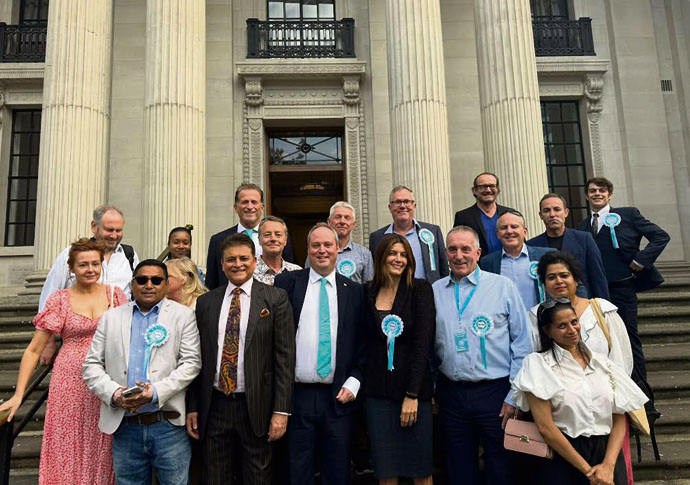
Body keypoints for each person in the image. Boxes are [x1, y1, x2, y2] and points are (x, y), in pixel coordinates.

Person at [0, 238, 128, 485]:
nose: (90, 269)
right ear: (71, 268)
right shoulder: (59, 299)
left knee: (103, 441)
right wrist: (18, 394)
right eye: (83, 265)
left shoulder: (115, 295)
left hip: (106, 377)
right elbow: (34, 350)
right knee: (67, 441)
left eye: (95, 264)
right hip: (69, 379)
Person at [185, 233, 295, 484]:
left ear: (255, 261)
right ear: (222, 264)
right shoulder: (206, 302)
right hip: (215, 406)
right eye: (231, 259)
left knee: (258, 477)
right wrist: (193, 406)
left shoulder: (275, 298)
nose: (238, 264)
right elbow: (198, 358)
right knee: (215, 477)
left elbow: (285, 358)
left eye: (244, 258)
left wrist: (281, 411)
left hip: (257, 407)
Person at [83, 259, 201, 484]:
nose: (149, 285)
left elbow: (191, 363)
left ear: (166, 284)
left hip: (167, 424)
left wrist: (155, 392)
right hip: (126, 426)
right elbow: (91, 365)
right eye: (142, 280)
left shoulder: (183, 316)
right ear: (132, 283)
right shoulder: (111, 317)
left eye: (156, 280)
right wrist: (115, 394)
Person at [433, 226, 532, 485]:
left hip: (496, 394)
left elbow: (522, 344)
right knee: (458, 467)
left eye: (466, 249)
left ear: (478, 253)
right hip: (451, 395)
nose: (459, 255)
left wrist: (514, 395)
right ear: (445, 253)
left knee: (501, 466)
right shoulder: (435, 291)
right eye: (453, 249)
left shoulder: (503, 287)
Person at [512, 299, 648, 484]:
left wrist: (608, 466)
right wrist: (589, 472)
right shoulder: (538, 365)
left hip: (607, 456)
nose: (571, 329)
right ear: (548, 331)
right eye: (562, 326)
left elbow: (618, 418)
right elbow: (545, 428)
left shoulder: (602, 363)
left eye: (574, 322)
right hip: (563, 457)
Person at [274, 223, 366, 485]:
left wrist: (355, 381)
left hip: (338, 396)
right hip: (297, 396)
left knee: (337, 470)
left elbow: (362, 343)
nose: (322, 250)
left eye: (328, 245)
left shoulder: (355, 291)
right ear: (307, 249)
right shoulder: (287, 283)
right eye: (316, 245)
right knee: (298, 469)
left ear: (337, 248)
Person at [577, 176, 670, 380]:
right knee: (600, 341)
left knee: (628, 338)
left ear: (609, 195)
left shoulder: (628, 215)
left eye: (602, 190)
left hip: (622, 289)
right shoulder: (582, 227)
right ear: (587, 196)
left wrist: (641, 260)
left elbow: (661, 236)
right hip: (595, 294)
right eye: (593, 191)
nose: (597, 194)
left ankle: (641, 393)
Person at [363, 233, 435, 483]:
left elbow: (422, 345)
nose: (398, 259)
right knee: (386, 471)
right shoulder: (368, 291)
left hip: (413, 395)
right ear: (381, 257)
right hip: (378, 396)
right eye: (392, 253)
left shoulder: (420, 290)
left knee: (420, 471)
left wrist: (412, 395)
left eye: (404, 255)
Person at [532, 251, 633, 374]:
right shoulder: (536, 316)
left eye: (564, 275)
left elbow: (622, 358)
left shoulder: (602, 310)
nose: (559, 281)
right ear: (544, 284)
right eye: (551, 277)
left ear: (576, 280)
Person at [40, 205, 138, 311]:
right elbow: (49, 297)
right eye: (109, 230)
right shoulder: (71, 254)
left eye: (118, 230)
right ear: (94, 226)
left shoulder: (130, 256)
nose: (114, 236)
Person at [205, 184, 296, 290]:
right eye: (245, 202)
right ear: (236, 207)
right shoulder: (218, 240)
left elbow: (288, 271)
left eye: (254, 202)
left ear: (262, 207)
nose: (249, 207)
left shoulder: (278, 240)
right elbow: (211, 283)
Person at [528, 194, 609, 300]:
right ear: (540, 215)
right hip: (548, 305)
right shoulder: (532, 245)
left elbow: (598, 277)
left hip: (582, 303)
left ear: (566, 212)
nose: (552, 214)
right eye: (547, 210)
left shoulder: (584, 239)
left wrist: (603, 306)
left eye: (557, 209)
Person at [369, 186, 448, 284]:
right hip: (392, 292)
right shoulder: (377, 238)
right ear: (390, 207)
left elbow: (444, 270)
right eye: (397, 202)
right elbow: (375, 272)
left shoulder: (432, 232)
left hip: (428, 292)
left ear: (414, 206)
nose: (402, 206)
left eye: (407, 201)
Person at [479, 209, 554, 310]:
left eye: (514, 226)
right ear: (497, 234)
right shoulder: (487, 262)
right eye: (504, 228)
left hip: (539, 318)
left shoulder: (546, 256)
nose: (509, 231)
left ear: (525, 231)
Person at [453, 172, 515, 256]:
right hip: (479, 263)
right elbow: (457, 244)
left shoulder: (510, 213)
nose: (488, 190)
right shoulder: (463, 217)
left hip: (509, 261)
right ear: (475, 190)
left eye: (492, 186)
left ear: (498, 189)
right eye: (483, 187)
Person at [323, 201, 374, 283]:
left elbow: (369, 286)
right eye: (338, 217)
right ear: (329, 222)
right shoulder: (317, 253)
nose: (342, 221)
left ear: (353, 224)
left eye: (347, 218)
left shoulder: (364, 254)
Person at [253, 215, 302, 285]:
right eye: (267, 234)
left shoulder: (297, 272)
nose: (273, 239)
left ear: (285, 240)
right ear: (259, 240)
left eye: (278, 235)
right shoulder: (249, 272)